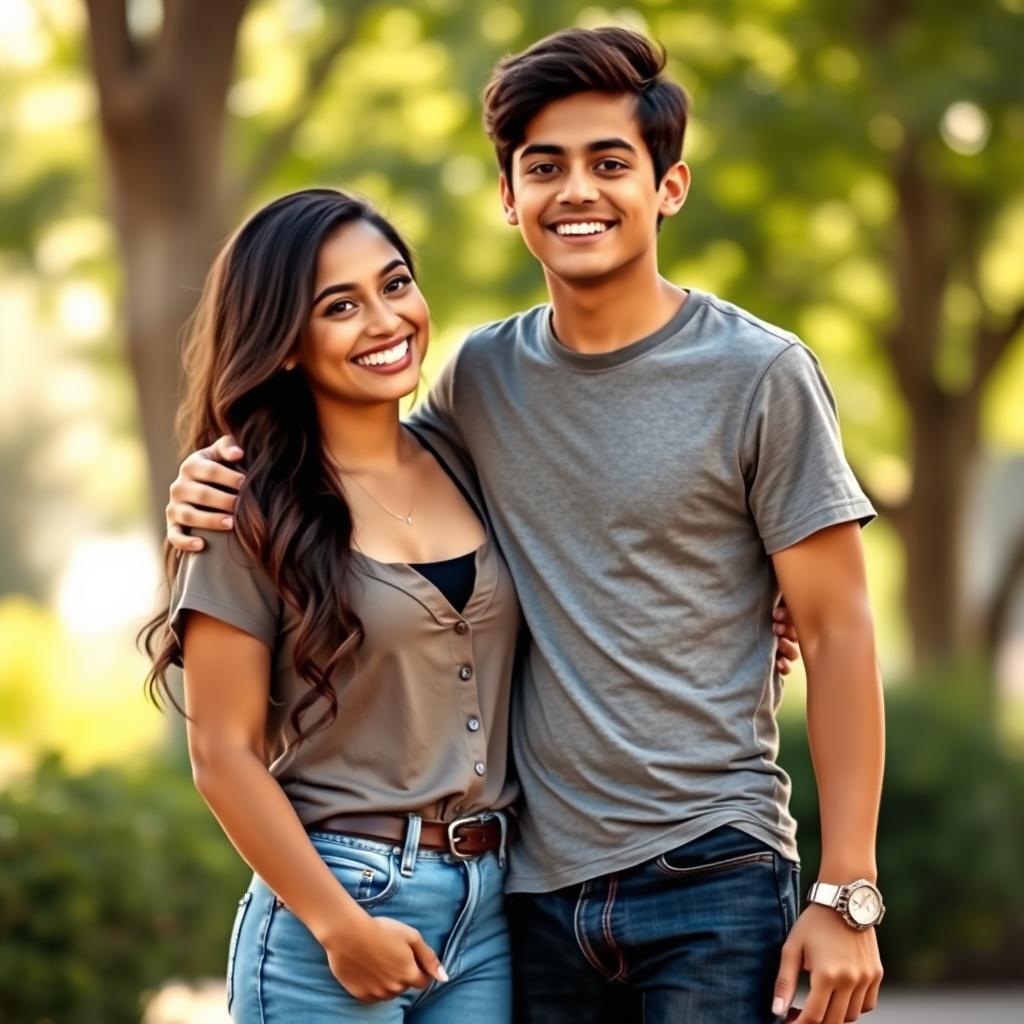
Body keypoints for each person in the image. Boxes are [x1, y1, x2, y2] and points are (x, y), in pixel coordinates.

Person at [164, 26, 884, 1024]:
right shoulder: (478, 382)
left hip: (712, 866)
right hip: (533, 891)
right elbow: (348, 479)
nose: (575, 191)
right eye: (544, 167)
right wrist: (210, 473)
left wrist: (848, 891)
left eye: (609, 163)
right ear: (508, 198)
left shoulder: (760, 375)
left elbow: (841, 627)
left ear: (668, 187)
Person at [143, 188, 525, 1022]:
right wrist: (338, 924)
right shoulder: (247, 507)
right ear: (283, 345)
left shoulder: (472, 459)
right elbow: (222, 753)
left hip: (492, 910)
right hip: (337, 905)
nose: (385, 321)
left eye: (394, 285)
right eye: (339, 307)